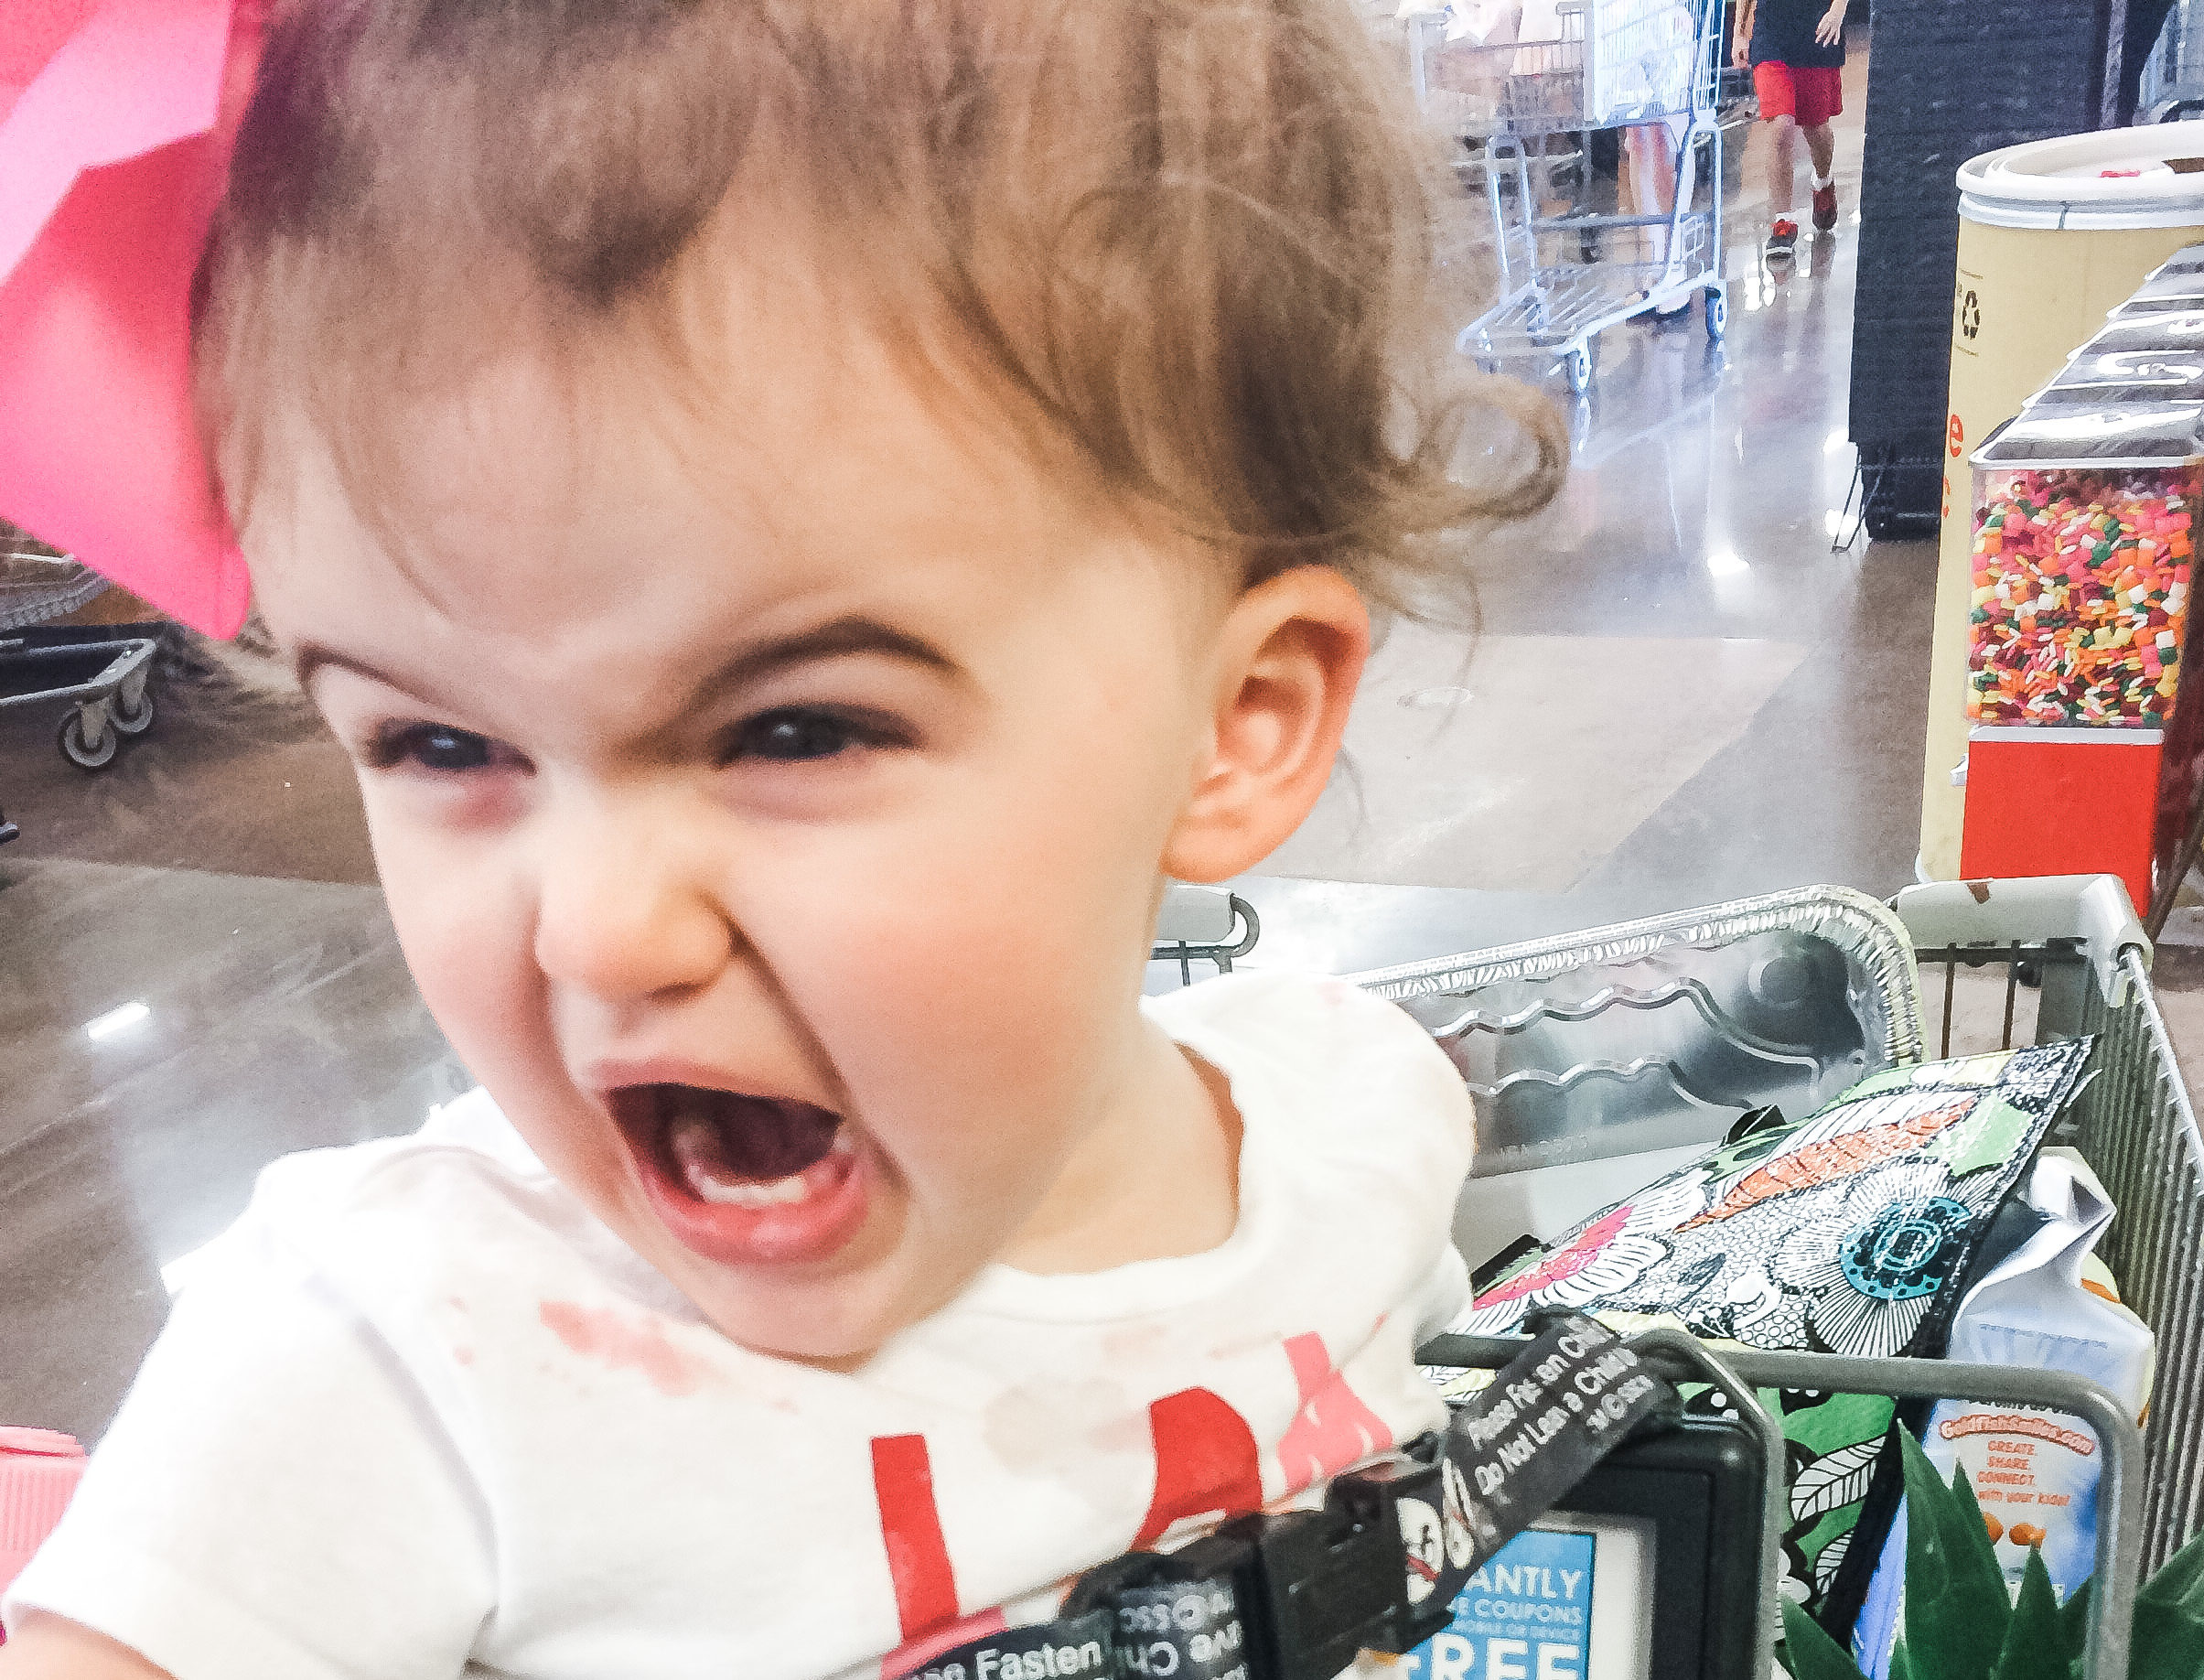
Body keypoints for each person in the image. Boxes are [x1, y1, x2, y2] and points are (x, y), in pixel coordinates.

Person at [0, 2, 1566, 1678]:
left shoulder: (1357, 1130)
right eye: (441, 742)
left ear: (1235, 722)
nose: (598, 931)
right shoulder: (391, 1372)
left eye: (792, 728)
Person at [1733, 0, 1847, 261]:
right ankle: (1782, 222)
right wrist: (1739, 34)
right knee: (1781, 126)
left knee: (1816, 129)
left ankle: (1823, 182)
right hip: (1771, 36)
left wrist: (1838, 10)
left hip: (1819, 29)